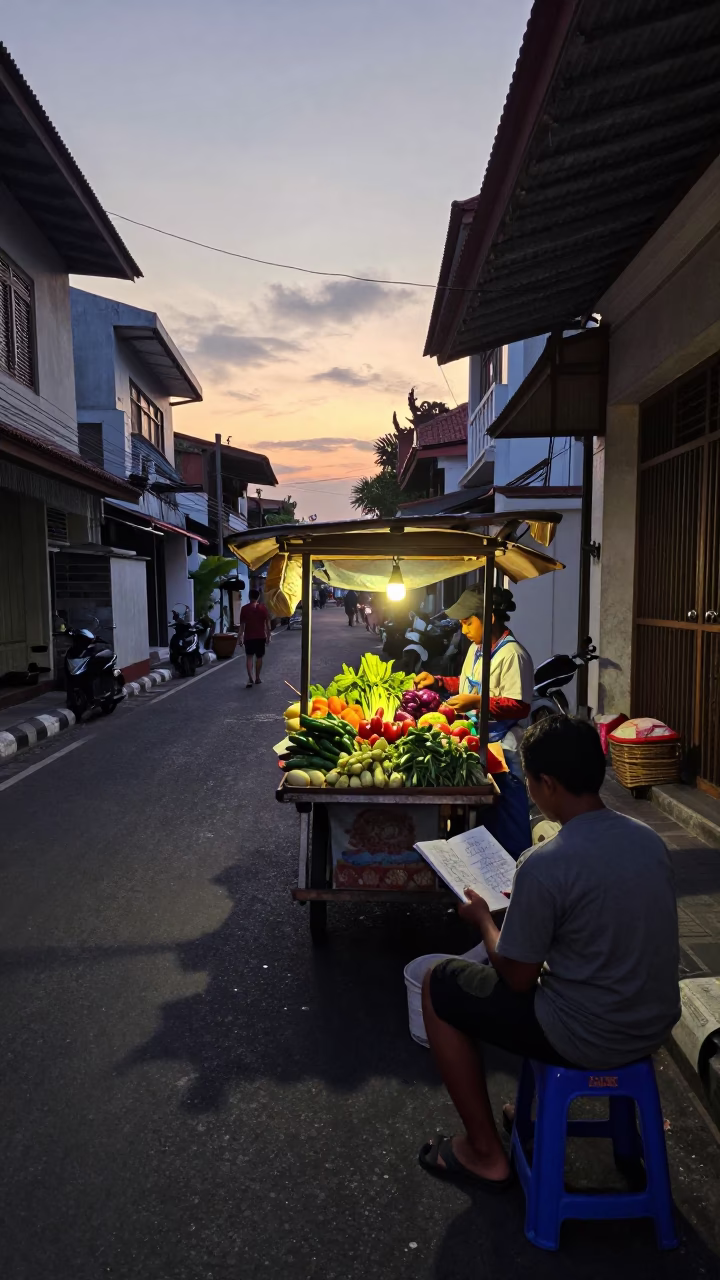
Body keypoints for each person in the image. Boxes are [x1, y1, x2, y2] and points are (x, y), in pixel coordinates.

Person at [418, 715, 681, 1191]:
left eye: (530, 783)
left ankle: (484, 1154)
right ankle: (534, 1108)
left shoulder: (546, 864)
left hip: (587, 1033)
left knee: (439, 985)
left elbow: (517, 978)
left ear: (548, 784)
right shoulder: (650, 840)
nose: (530, 793)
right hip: (652, 1023)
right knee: (548, 978)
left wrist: (483, 919)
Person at [414, 585, 533, 856]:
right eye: (461, 624)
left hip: (502, 745)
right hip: (475, 737)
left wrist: (477, 703)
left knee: (508, 815)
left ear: (489, 617)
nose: (464, 630)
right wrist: (439, 681)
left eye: (468, 623)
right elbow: (468, 683)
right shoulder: (477, 649)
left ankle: (514, 872)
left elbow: (519, 705)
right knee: (480, 815)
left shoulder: (512, 655)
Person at [238, 589, 271, 688]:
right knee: (259, 657)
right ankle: (257, 678)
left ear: (249, 597)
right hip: (261, 636)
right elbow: (267, 624)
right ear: (258, 597)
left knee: (249, 657)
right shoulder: (263, 608)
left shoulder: (244, 609)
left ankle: (250, 678)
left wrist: (240, 637)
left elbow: (242, 625)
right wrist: (269, 635)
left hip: (249, 637)